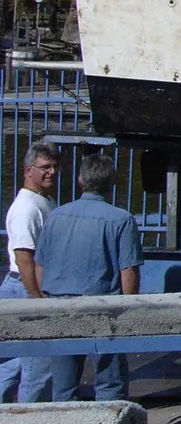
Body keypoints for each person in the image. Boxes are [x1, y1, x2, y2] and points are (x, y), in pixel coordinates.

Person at [34, 152, 143, 401]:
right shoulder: (121, 219)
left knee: (63, 387)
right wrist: (128, 311)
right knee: (109, 383)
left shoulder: (56, 216)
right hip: (102, 309)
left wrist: (45, 299)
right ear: (111, 182)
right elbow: (128, 272)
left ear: (81, 181)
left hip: (59, 307)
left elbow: (40, 266)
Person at [0, 140, 60, 402]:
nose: (52, 172)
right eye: (45, 167)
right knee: (39, 367)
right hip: (24, 288)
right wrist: (38, 301)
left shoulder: (44, 200)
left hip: (21, 287)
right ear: (28, 170)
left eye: (55, 166)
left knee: (11, 366)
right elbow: (24, 259)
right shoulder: (26, 208)